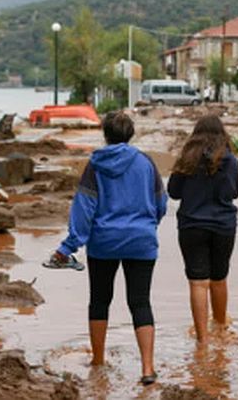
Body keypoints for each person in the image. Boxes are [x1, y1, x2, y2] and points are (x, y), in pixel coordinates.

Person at [48, 111, 167, 385]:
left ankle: (98, 360)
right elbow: (161, 202)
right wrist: (147, 226)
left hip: (103, 243)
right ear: (130, 134)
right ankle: (148, 368)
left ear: (106, 134)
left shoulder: (95, 164)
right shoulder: (146, 162)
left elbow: (84, 208)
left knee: (100, 301)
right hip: (142, 241)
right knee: (140, 302)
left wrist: (68, 246)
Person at [167, 115, 238, 343]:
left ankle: (202, 340)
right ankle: (220, 328)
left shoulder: (187, 160)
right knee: (219, 279)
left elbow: (174, 192)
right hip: (223, 226)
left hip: (192, 225)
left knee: (198, 282)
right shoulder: (231, 161)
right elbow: (235, 192)